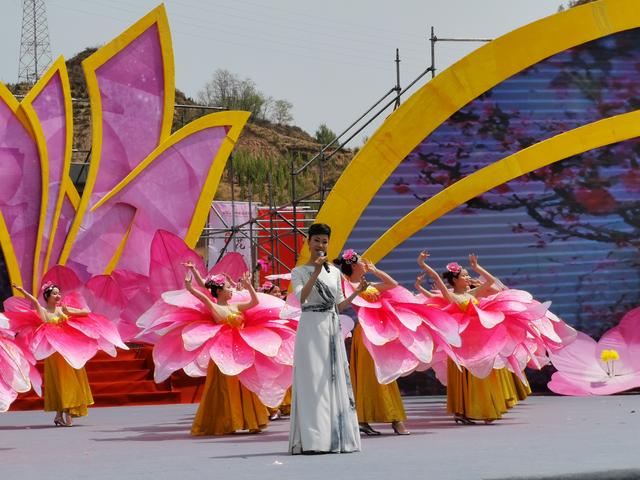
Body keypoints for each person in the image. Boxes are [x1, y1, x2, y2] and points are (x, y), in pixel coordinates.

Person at [288, 223, 365, 455]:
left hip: (331, 328)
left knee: (331, 381)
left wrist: (357, 292)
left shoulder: (336, 273)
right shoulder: (299, 271)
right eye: (317, 240)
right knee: (312, 382)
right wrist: (316, 272)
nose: (321, 245)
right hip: (310, 328)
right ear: (308, 242)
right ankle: (313, 440)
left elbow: (339, 305)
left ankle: (335, 437)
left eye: (324, 241)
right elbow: (301, 298)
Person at [182, 269, 270, 435]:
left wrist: (249, 286)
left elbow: (255, 302)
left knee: (245, 385)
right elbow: (200, 295)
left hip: (240, 351)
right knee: (225, 388)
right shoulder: (214, 306)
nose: (231, 290)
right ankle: (227, 422)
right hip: (223, 352)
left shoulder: (236, 306)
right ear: (220, 291)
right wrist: (189, 286)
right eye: (228, 288)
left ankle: (250, 420)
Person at [333, 250, 410, 436]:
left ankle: (389, 418)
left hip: (381, 332)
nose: (365, 264)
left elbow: (393, 284)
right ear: (353, 266)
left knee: (386, 372)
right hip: (366, 332)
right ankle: (376, 419)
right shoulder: (347, 284)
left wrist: (375, 270)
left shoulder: (368, 284)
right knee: (368, 377)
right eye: (361, 262)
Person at [11, 283, 94, 427]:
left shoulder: (63, 309)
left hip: (67, 350)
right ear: (47, 297)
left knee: (69, 381)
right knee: (59, 383)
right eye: (54, 293)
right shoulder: (43, 312)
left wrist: (72, 311)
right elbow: (35, 301)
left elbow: (86, 312)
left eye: (59, 293)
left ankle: (61, 415)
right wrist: (22, 291)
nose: (58, 296)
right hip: (53, 353)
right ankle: (63, 414)